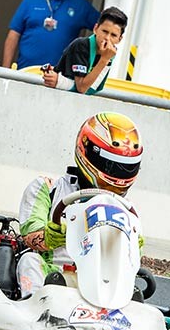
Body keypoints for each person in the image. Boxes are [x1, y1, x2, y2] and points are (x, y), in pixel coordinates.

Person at [16, 112, 143, 297]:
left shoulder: (125, 209)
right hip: (54, 276)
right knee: (29, 260)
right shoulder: (48, 188)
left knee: (135, 289)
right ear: (87, 150)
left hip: (103, 285)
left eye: (127, 166)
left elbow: (129, 263)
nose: (119, 174)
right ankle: (35, 303)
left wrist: (133, 246)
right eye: (110, 165)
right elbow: (29, 235)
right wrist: (52, 236)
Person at [2, 0, 99, 69]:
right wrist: (5, 69)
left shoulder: (80, 5)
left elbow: (104, 28)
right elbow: (13, 35)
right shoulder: (30, 0)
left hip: (59, 75)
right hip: (26, 71)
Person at [42, 7, 128, 95]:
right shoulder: (81, 45)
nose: (107, 38)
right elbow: (82, 88)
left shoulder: (110, 53)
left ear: (119, 39)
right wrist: (104, 60)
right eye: (105, 31)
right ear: (95, 29)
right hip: (56, 95)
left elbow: (93, 89)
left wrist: (61, 82)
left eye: (113, 35)